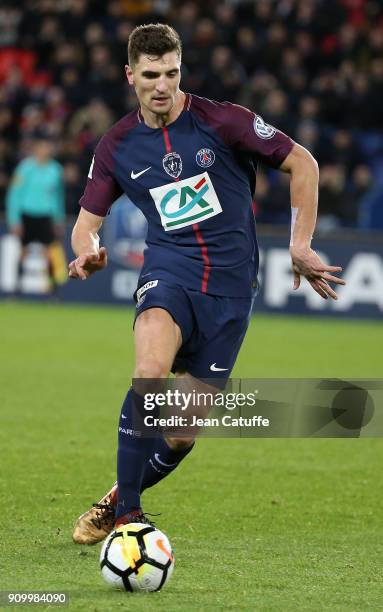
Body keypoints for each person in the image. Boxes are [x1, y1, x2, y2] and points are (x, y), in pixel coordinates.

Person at [69, 24, 345, 545]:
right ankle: (129, 512)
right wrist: (86, 250)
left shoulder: (224, 121)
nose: (162, 86)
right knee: (149, 372)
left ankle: (115, 497)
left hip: (230, 292)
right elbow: (86, 221)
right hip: (168, 273)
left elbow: (302, 162)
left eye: (171, 73)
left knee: (179, 432)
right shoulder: (117, 146)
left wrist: (300, 243)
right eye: (151, 75)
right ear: (130, 76)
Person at [5, 135, 65, 292]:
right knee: (23, 252)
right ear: (35, 149)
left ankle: (53, 290)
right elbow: (14, 195)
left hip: (46, 216)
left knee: (49, 253)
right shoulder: (24, 168)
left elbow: (58, 196)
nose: (45, 150)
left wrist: (59, 219)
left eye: (47, 147)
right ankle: (17, 289)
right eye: (42, 147)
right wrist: (14, 219)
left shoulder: (55, 170)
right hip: (27, 215)